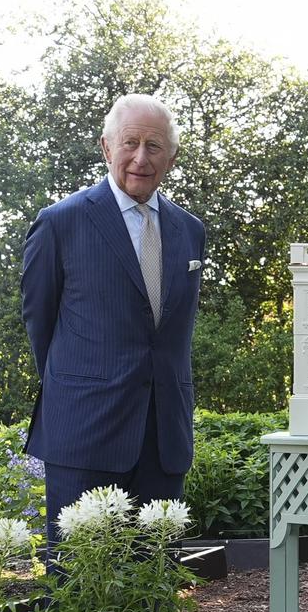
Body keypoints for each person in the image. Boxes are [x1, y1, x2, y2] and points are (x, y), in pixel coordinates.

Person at [20, 93, 204, 538]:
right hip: (84, 432)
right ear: (106, 147)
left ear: (171, 157)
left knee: (154, 580)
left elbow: (173, 333)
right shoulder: (60, 223)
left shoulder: (190, 230)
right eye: (130, 142)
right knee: (78, 582)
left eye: (154, 146)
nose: (141, 157)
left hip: (164, 438)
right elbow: (39, 323)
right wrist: (86, 382)